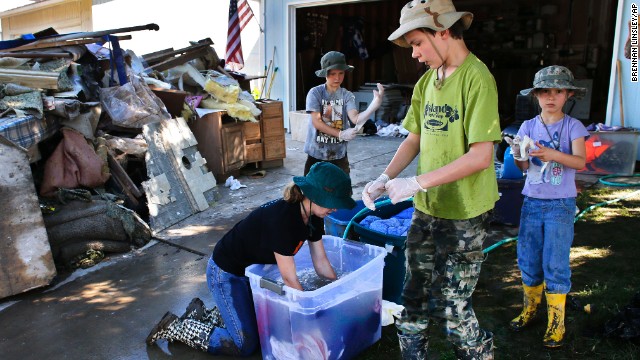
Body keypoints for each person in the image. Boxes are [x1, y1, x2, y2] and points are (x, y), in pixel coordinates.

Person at [361, 0, 502, 358]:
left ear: (443, 31)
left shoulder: (477, 78)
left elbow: (481, 155)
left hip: (465, 212)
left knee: (453, 309)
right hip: (428, 207)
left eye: (417, 44)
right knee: (414, 297)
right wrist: (384, 177)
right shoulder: (427, 82)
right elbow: (414, 138)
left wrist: (417, 182)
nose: (415, 55)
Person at [146, 162, 356, 356]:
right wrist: (310, 317)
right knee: (245, 344)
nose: (335, 209)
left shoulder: (313, 216)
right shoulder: (284, 222)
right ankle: (176, 327)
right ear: (313, 195)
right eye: (332, 203)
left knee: (265, 326)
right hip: (226, 273)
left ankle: (201, 314)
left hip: (250, 273)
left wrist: (340, 292)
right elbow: (291, 281)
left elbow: (320, 262)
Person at [505, 65, 588, 348]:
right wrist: (518, 154)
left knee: (555, 262)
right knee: (527, 259)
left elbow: (580, 162)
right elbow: (523, 166)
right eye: (544, 92)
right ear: (536, 95)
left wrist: (552, 153)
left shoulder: (573, 126)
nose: (551, 97)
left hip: (561, 205)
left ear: (568, 94)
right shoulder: (528, 126)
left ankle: (556, 321)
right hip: (531, 203)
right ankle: (530, 309)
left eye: (558, 91)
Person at [304, 50, 384, 175]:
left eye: (341, 73)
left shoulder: (347, 95)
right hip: (316, 153)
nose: (337, 78)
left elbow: (355, 119)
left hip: (339, 155)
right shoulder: (315, 93)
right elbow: (317, 122)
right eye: (333, 74)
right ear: (325, 73)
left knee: (342, 192)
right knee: (312, 191)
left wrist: (373, 106)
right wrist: (341, 134)